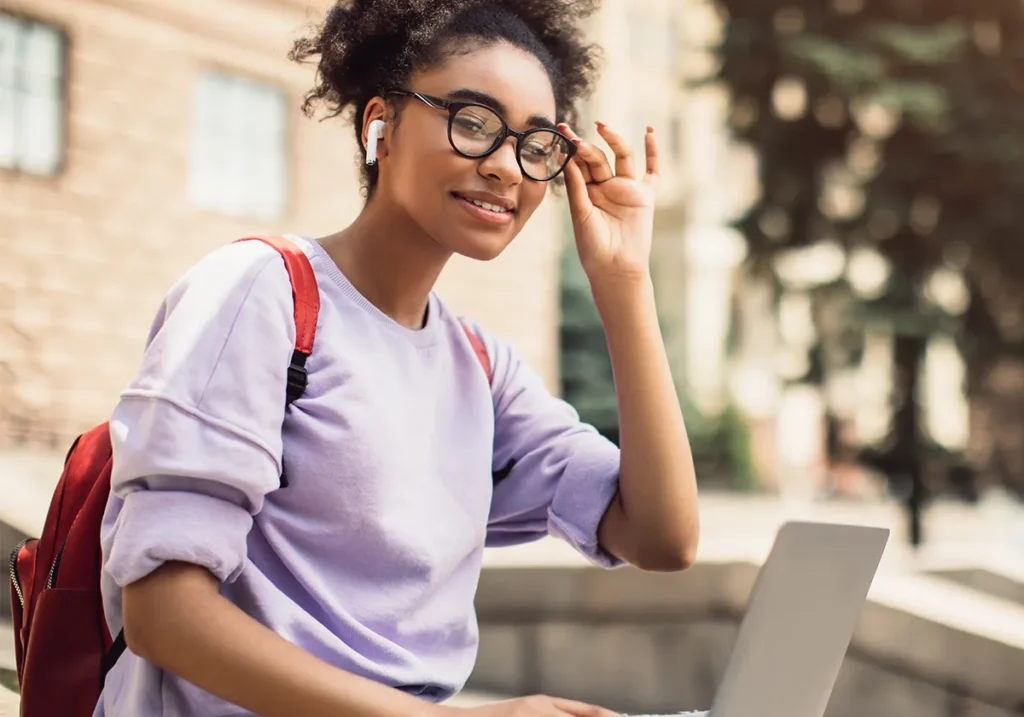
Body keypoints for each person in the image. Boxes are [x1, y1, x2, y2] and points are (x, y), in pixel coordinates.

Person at [94, 1, 700, 716]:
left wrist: (625, 281)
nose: (506, 166)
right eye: (472, 122)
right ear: (380, 123)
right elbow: (163, 612)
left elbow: (662, 535)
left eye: (536, 145)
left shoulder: (478, 367)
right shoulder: (262, 293)